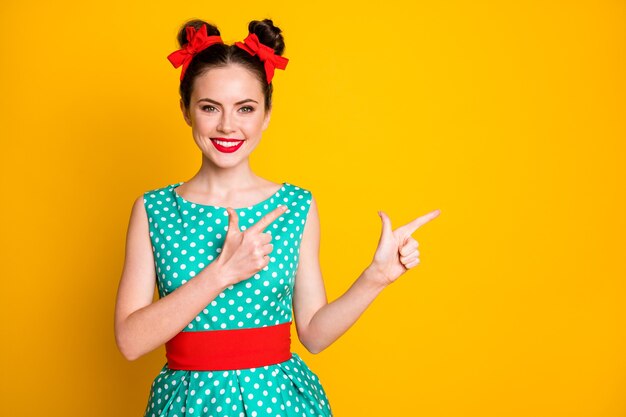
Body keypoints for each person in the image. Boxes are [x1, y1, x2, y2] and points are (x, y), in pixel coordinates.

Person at [114, 18, 441, 417]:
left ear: (267, 113)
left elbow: (314, 335)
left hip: (278, 402)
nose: (227, 125)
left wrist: (375, 277)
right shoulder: (153, 210)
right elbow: (130, 341)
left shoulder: (296, 206)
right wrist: (223, 272)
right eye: (209, 107)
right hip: (187, 403)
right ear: (185, 110)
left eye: (245, 108)